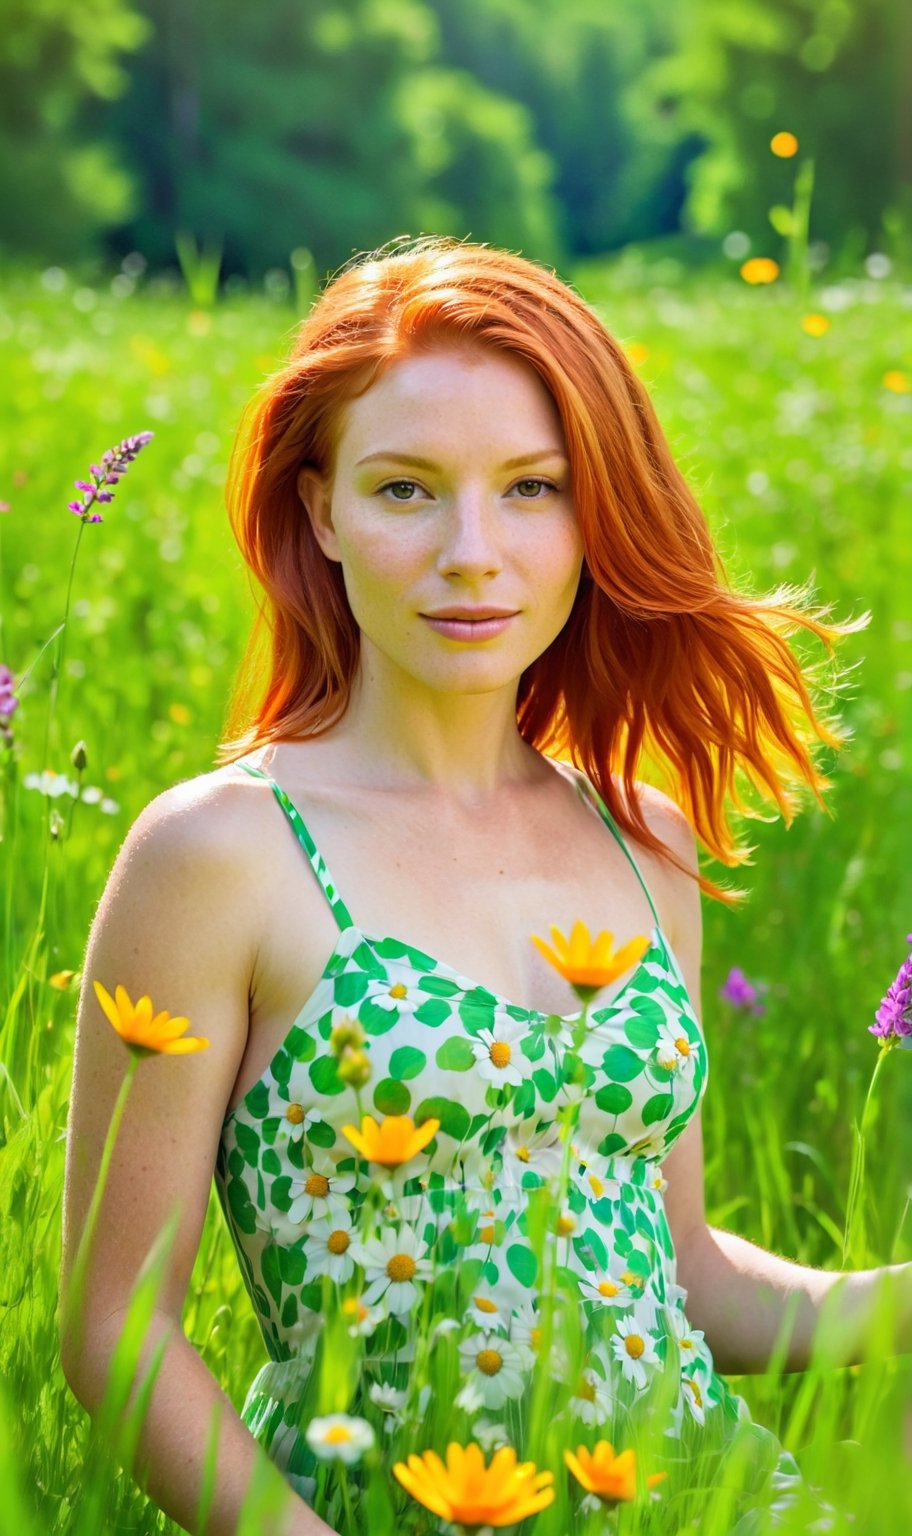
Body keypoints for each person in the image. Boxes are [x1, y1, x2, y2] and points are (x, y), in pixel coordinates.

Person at [60, 237, 892, 1536]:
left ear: (594, 513)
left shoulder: (644, 844)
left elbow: (683, 1279)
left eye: (532, 489)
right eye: (405, 491)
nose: (472, 553)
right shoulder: (219, 854)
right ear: (319, 508)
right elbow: (117, 1335)